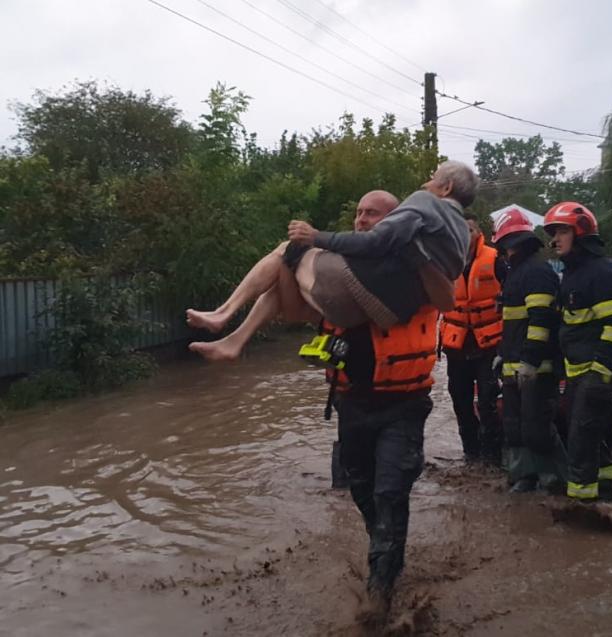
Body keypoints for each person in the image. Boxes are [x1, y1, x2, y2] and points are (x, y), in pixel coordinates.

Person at [186, 161, 477, 360]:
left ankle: (224, 313)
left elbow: (376, 242)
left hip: (356, 289)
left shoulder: (425, 202)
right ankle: (233, 341)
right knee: (282, 270)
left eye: (434, 178)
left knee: (289, 246)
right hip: (383, 313)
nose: (427, 183)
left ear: (447, 187)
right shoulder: (463, 235)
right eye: (359, 213)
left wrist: (316, 236)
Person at [318, 302, 439, 622]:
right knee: (361, 488)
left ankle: (379, 587)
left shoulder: (418, 269)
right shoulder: (332, 277)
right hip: (352, 404)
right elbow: (289, 301)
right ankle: (388, 550)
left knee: (389, 491)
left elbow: (446, 290)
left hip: (404, 403)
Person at [544, 202, 612, 502]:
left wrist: (600, 373)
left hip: (597, 372)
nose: (555, 239)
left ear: (580, 233)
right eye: (553, 232)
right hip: (579, 371)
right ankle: (605, 489)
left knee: (580, 437)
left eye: (562, 231)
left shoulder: (601, 272)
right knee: (586, 433)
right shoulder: (572, 273)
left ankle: (582, 505)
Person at [493, 208, 567, 493]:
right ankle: (525, 477)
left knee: (537, 430)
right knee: (514, 428)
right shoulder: (516, 273)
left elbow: (541, 321)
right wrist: (502, 353)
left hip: (536, 369)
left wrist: (530, 361)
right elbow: (512, 324)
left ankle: (558, 481)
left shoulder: (536, 272)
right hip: (514, 366)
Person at [439, 213, 503, 464]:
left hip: (488, 345)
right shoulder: (443, 263)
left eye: (468, 229)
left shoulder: (495, 259)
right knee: (460, 403)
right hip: (456, 347)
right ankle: (471, 454)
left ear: (477, 233)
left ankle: (491, 457)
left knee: (488, 403)